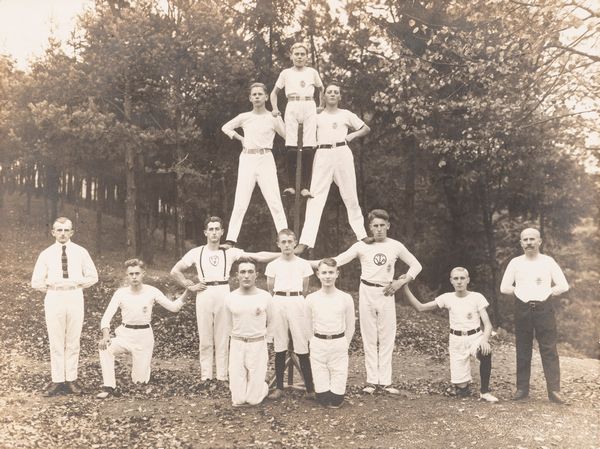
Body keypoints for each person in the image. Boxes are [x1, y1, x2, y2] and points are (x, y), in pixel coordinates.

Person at [170, 216, 278, 383]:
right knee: (205, 337)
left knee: (222, 336)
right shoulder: (196, 252)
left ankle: (222, 376)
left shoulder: (230, 252)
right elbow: (175, 271)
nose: (214, 232)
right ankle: (206, 376)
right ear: (205, 232)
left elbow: (257, 257)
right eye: (210, 229)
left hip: (223, 291)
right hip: (204, 292)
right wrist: (189, 286)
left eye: (217, 229)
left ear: (222, 232)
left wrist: (282, 254)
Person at [332, 209, 422, 394]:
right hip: (366, 291)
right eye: (375, 226)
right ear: (369, 228)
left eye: (382, 225)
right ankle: (372, 381)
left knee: (387, 336)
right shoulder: (361, 246)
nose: (379, 229)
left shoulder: (396, 245)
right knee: (369, 336)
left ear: (388, 226)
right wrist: (302, 263)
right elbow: (337, 260)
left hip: (387, 292)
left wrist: (401, 282)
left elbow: (416, 265)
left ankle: (386, 381)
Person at [295, 82, 372, 255]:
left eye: (335, 92)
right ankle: (305, 241)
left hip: (342, 152)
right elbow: (299, 123)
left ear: (339, 96)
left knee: (350, 195)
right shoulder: (316, 116)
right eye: (329, 91)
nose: (332, 94)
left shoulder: (346, 114)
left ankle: (361, 234)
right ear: (324, 96)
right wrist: (310, 112)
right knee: (315, 198)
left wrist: (352, 135)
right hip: (322, 154)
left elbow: (365, 128)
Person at [96, 259, 189, 399]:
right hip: (124, 335)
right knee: (105, 347)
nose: (134, 277)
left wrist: (189, 291)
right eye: (131, 274)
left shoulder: (152, 291)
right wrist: (106, 335)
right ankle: (109, 387)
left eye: (137, 273)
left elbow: (174, 307)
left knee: (139, 383)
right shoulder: (120, 293)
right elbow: (106, 317)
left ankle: (142, 375)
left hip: (144, 338)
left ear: (143, 274)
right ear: (127, 275)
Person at [402, 267, 498, 402]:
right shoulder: (447, 298)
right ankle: (463, 385)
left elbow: (487, 324)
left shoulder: (477, 297)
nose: (459, 281)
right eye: (456, 278)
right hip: (456, 341)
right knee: (462, 391)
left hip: (474, 337)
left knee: (485, 352)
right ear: (451, 281)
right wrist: (405, 287)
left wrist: (484, 340)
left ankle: (484, 392)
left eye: (462, 278)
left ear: (468, 280)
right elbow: (420, 307)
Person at [500, 227, 569, 404]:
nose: (529, 242)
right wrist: (522, 290)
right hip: (522, 307)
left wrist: (547, 292)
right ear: (521, 243)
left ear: (540, 241)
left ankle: (554, 390)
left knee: (549, 349)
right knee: (523, 348)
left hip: (544, 308)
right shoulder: (515, 262)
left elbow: (563, 285)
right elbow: (504, 287)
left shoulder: (548, 261)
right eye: (525, 240)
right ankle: (522, 388)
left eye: (532, 239)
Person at [31, 217, 98, 396]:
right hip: (54, 297)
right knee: (56, 340)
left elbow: (93, 277)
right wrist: (54, 287)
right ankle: (57, 380)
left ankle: (71, 379)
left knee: (73, 340)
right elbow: (36, 281)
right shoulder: (46, 254)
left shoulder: (81, 252)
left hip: (75, 296)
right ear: (53, 232)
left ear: (71, 232)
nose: (62, 233)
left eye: (66, 230)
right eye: (58, 230)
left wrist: (75, 283)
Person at [221, 82, 288, 248]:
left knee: (274, 200)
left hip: (266, 158)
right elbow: (226, 127)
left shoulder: (272, 117)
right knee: (241, 200)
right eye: (254, 94)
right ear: (250, 98)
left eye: (260, 94)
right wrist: (239, 138)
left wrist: (278, 117)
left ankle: (286, 237)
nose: (257, 97)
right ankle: (231, 240)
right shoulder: (244, 117)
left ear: (266, 97)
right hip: (247, 159)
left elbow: (287, 135)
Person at [265, 229, 315, 399]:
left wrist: (296, 298)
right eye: (283, 242)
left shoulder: (303, 264)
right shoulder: (273, 265)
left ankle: (310, 388)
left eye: (289, 241)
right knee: (280, 344)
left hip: (297, 301)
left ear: (295, 243)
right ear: (278, 244)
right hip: (278, 301)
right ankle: (279, 387)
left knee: (301, 343)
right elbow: (270, 287)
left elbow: (305, 286)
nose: (287, 245)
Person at [270, 42, 324, 198]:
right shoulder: (286, 73)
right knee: (291, 146)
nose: (300, 57)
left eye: (303, 54)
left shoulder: (312, 72)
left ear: (307, 56)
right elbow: (274, 93)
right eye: (297, 54)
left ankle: (305, 187)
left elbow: (322, 89)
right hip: (292, 104)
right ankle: (291, 186)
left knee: (308, 147)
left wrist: (321, 105)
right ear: (291, 55)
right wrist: (274, 108)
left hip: (309, 104)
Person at [305, 258, 355, 408]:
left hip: (338, 343)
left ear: (337, 274)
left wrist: (345, 344)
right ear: (318, 274)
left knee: (335, 400)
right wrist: (312, 342)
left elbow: (350, 325)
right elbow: (307, 325)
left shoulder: (345, 298)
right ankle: (321, 388)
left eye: (331, 272)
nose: (327, 276)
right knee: (323, 398)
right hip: (318, 344)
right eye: (324, 272)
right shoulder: (311, 298)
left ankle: (338, 391)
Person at [224, 258, 274, 407]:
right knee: (238, 400)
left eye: (250, 272)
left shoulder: (265, 296)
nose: (246, 275)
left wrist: (268, 339)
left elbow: (272, 320)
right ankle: (243, 390)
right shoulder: (230, 297)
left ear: (256, 275)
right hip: (238, 342)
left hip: (257, 343)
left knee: (253, 401)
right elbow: (228, 324)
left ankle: (262, 387)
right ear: (237, 275)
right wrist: (233, 340)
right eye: (243, 272)